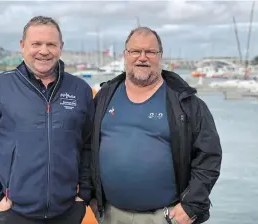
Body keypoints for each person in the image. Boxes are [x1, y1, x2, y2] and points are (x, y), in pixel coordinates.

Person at [91, 26, 222, 224]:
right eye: (135, 51)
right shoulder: (104, 96)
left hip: (164, 217)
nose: (142, 57)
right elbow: (86, 146)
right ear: (125, 55)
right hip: (109, 215)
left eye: (150, 52)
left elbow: (209, 157)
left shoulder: (186, 103)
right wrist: (90, 195)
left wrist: (191, 205)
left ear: (160, 56)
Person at [0, 16, 94, 224]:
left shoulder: (80, 89)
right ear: (22, 46)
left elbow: (88, 144)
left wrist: (83, 192)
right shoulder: (0, 87)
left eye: (51, 44)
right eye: (36, 44)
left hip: (67, 211)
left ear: (61, 47)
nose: (44, 51)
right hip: (14, 213)